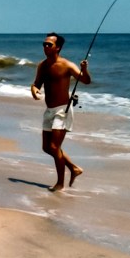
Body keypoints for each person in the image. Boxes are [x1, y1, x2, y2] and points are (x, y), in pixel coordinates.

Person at [31, 32, 91, 192]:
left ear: (57, 47)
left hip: (62, 110)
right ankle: (73, 168)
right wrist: (34, 90)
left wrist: (85, 70)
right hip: (49, 110)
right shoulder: (42, 66)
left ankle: (60, 184)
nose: (45, 47)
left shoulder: (67, 65)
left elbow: (86, 81)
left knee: (54, 146)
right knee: (46, 148)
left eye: (48, 44)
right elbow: (36, 84)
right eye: (44, 44)